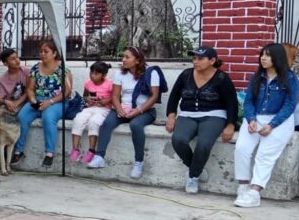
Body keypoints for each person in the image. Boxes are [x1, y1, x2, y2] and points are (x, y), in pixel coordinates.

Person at [165, 46, 238, 193]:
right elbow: (174, 97)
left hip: (214, 115)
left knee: (203, 144)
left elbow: (232, 103)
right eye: (194, 58)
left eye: (200, 58)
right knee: (178, 140)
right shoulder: (185, 75)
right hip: (188, 114)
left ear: (212, 60)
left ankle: (193, 176)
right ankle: (196, 168)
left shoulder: (221, 78)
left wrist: (230, 124)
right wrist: (171, 115)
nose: (195, 62)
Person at [234, 43, 299, 208]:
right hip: (256, 118)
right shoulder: (257, 77)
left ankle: (255, 193)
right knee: (242, 149)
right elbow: (248, 101)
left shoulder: (290, 78)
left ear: (277, 58)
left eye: (268, 55)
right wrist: (251, 119)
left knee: (264, 156)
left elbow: (290, 105)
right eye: (262, 54)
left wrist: (272, 125)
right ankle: (243, 187)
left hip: (280, 121)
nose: (263, 58)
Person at [87, 46, 163, 178]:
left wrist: (138, 111)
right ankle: (99, 157)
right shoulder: (120, 73)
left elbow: (154, 97)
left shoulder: (151, 73)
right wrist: (119, 109)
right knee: (107, 122)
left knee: (135, 125)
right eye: (123, 56)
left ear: (137, 60)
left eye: (127, 57)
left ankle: (139, 162)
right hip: (124, 108)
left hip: (145, 110)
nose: (123, 60)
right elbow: (115, 96)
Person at [11, 39, 73, 168]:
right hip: (38, 99)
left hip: (57, 101)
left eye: (46, 51)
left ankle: (49, 153)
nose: (42, 54)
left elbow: (67, 91)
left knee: (48, 117)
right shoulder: (35, 68)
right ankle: (18, 150)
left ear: (54, 53)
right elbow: (29, 88)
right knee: (22, 116)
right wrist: (33, 101)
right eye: (41, 51)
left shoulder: (63, 69)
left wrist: (50, 102)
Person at [69, 61, 113, 164]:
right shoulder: (88, 83)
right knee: (78, 119)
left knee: (93, 122)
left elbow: (115, 97)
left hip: (104, 109)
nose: (92, 76)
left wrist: (107, 100)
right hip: (90, 108)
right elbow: (85, 96)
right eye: (91, 73)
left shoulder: (109, 84)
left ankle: (92, 150)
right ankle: (75, 149)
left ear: (104, 75)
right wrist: (87, 99)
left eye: (96, 74)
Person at [0, 48, 29, 114]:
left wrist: (17, 103)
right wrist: (5, 102)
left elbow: (30, 90)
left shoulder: (26, 71)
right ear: (5, 64)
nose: (17, 61)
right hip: (11, 107)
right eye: (12, 59)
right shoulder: (2, 80)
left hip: (26, 104)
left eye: (17, 57)